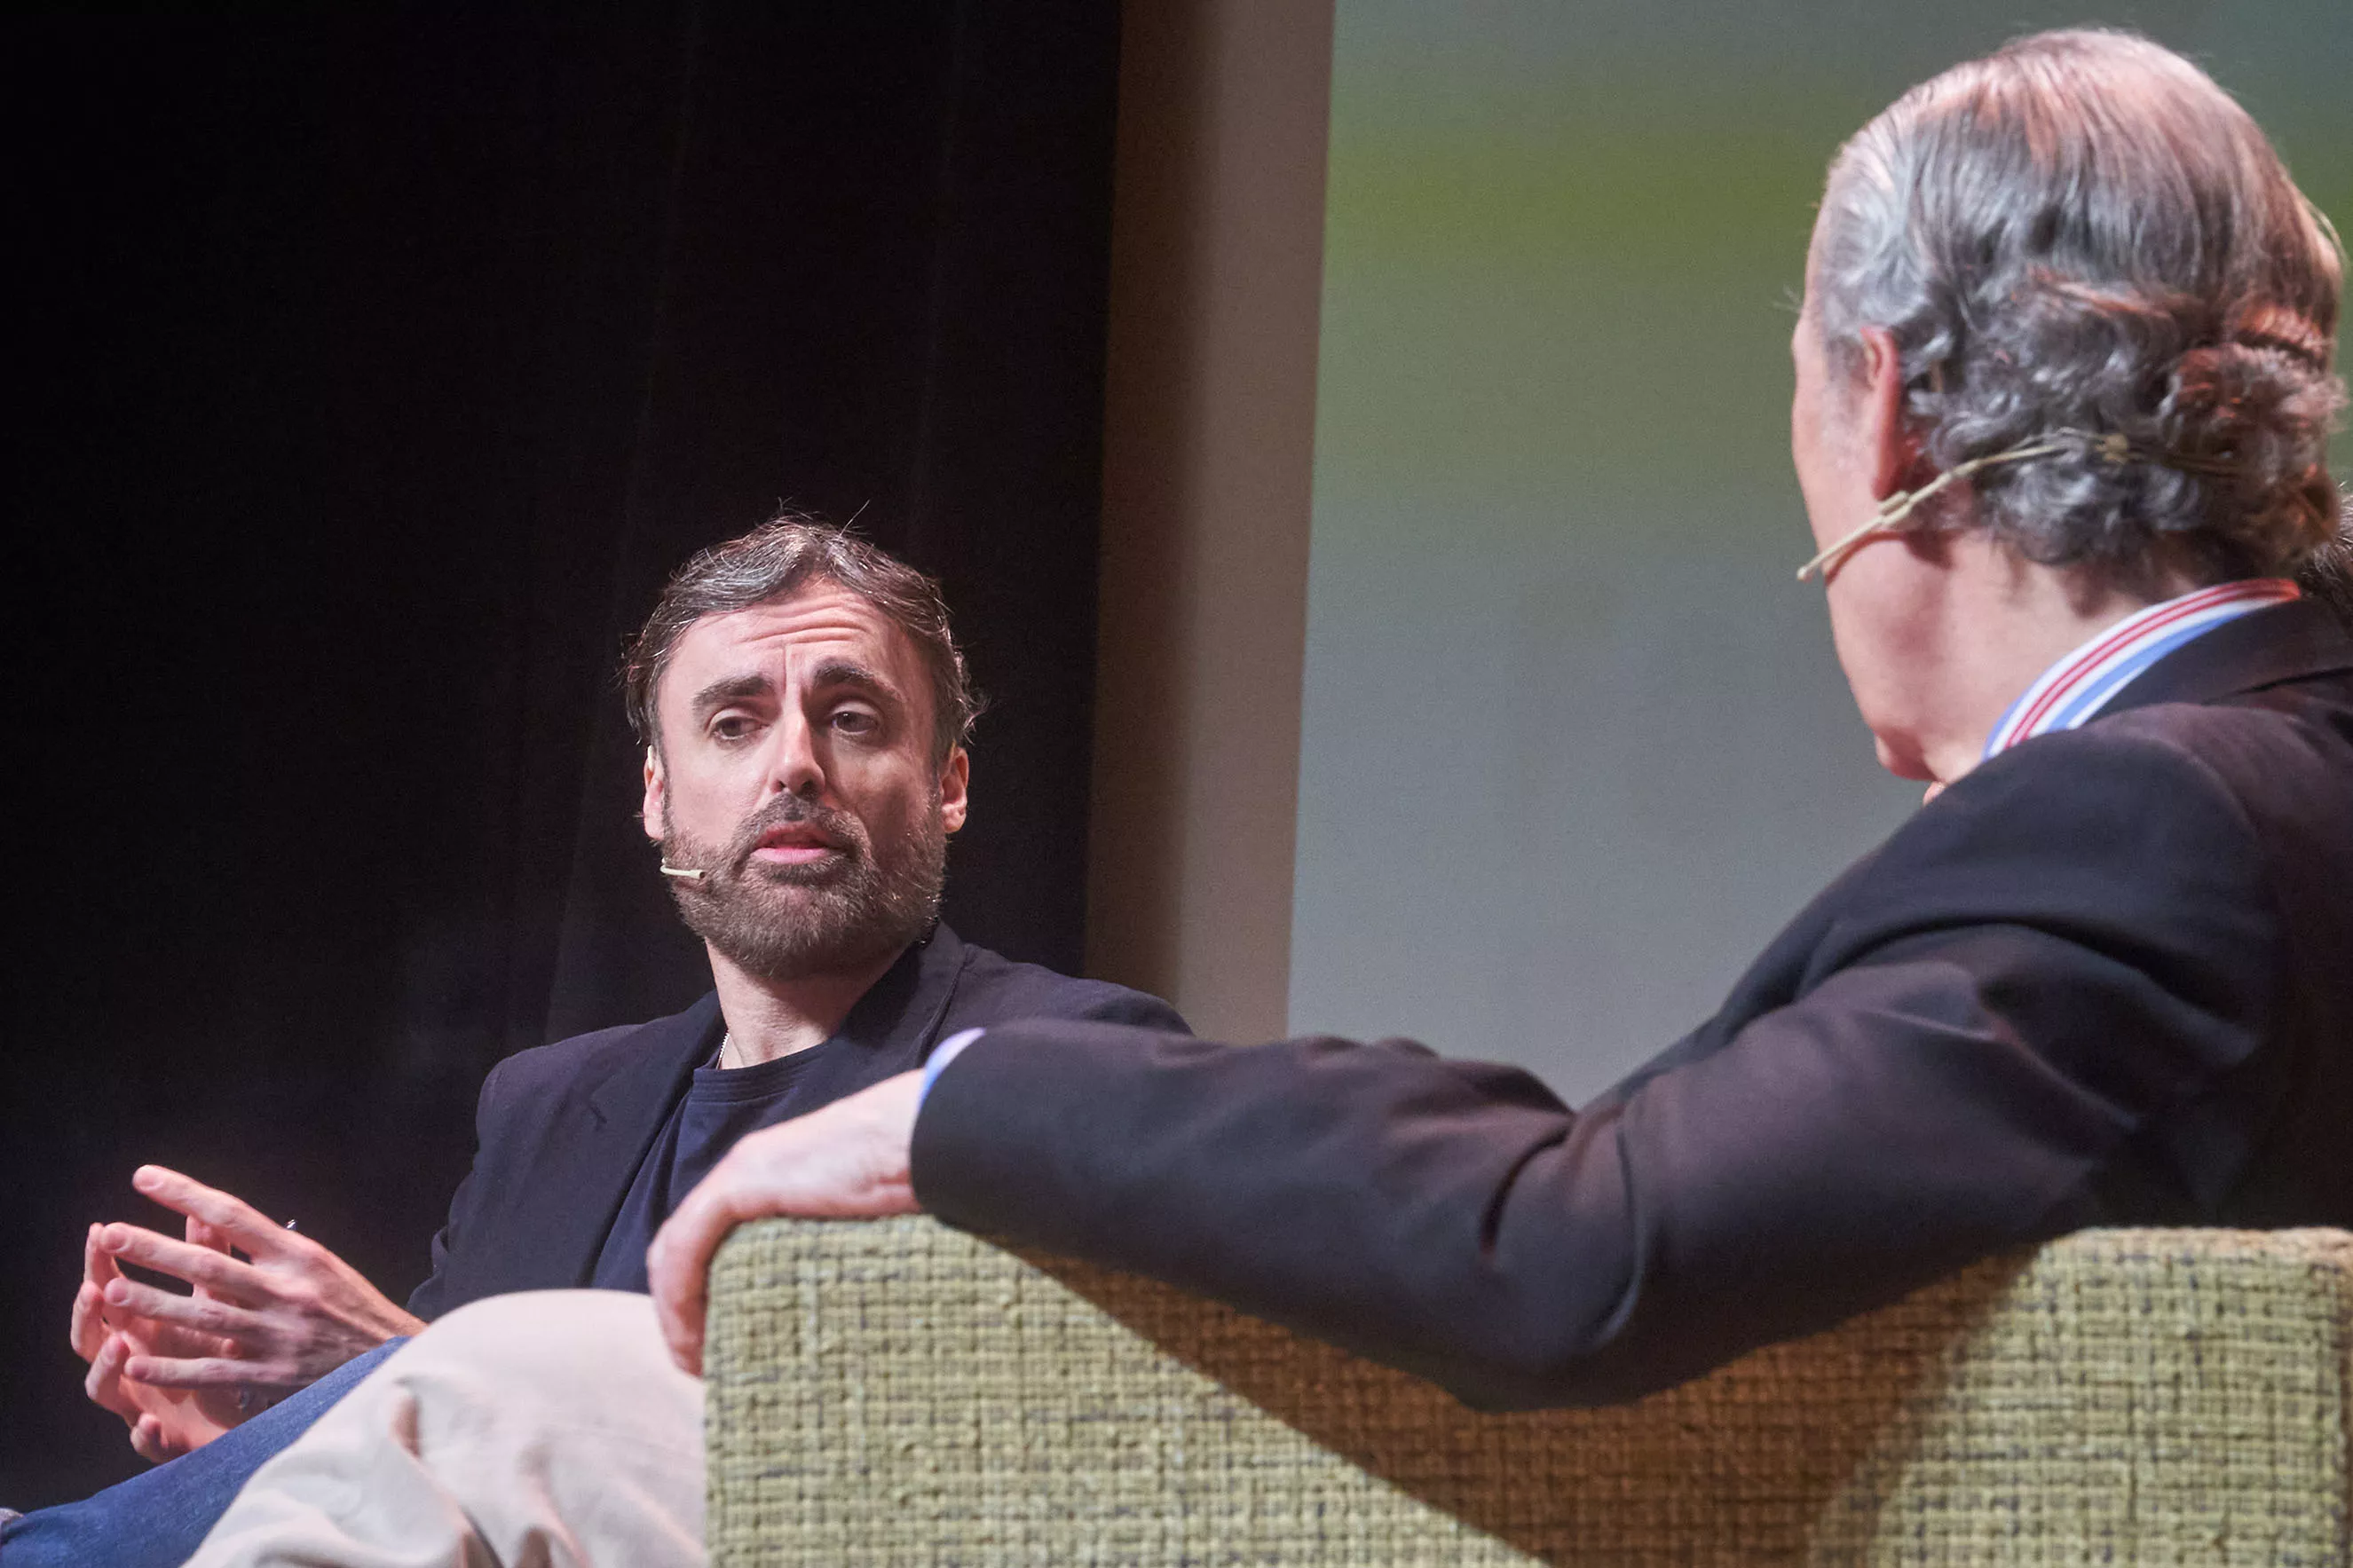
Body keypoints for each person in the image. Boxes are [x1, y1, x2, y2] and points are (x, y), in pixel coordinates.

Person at [136, 27, 2353, 1568]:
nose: (794, 763)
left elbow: (1581, 1250)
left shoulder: (2155, 818)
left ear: (1873, 419)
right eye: (727, 722)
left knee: (519, 1390)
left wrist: (964, 1106)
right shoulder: (2255, 771)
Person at [0, 520, 1183, 1564]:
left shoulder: (1060, 1060)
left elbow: (993, 1490)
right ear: (659, 795)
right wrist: (284, 1437)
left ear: (947, 786)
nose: (794, 765)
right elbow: (431, 1455)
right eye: (734, 722)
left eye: (853, 717)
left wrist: (404, 1368)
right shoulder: (550, 1102)